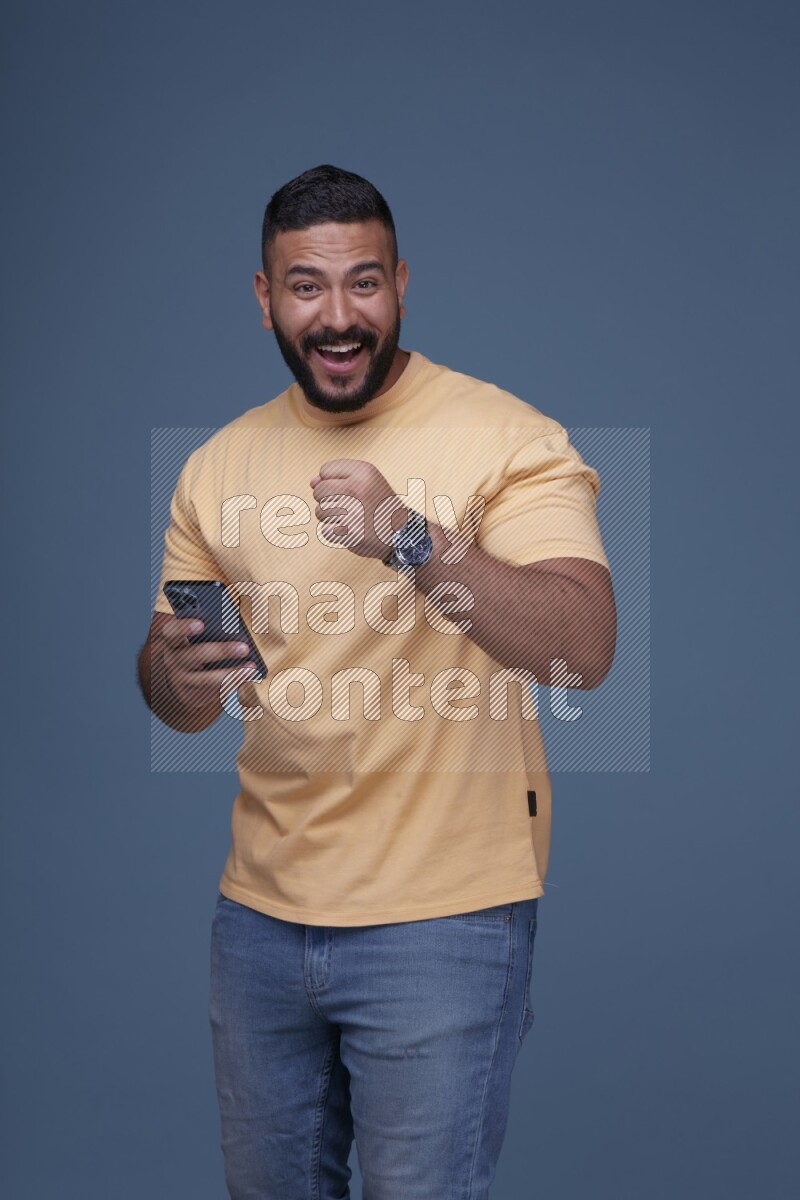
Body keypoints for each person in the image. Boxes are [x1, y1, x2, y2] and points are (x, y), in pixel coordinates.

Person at [138, 164, 616, 1199]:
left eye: (364, 282)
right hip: (258, 921)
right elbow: (179, 700)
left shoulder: (508, 439)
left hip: (443, 923)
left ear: (400, 283)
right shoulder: (214, 467)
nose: (339, 314)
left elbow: (580, 645)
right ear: (264, 298)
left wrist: (408, 537)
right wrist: (172, 672)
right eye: (306, 286)